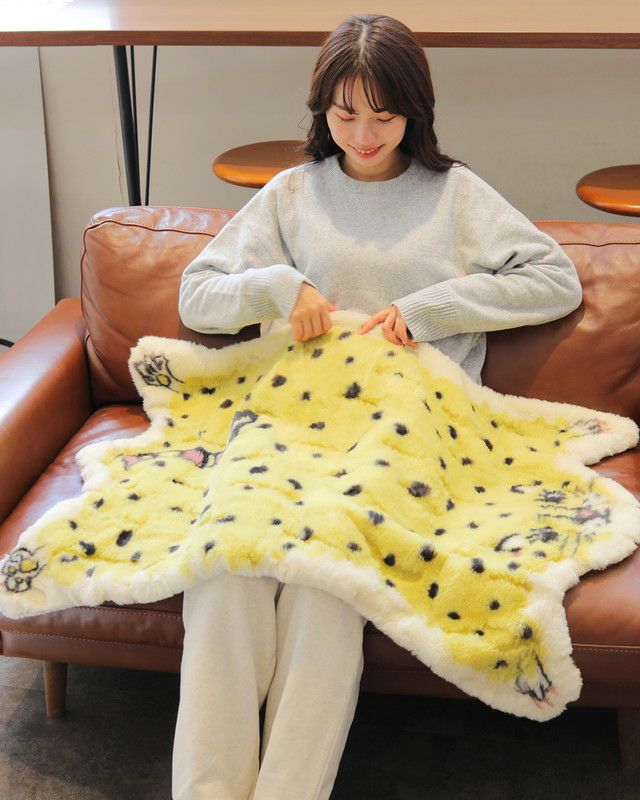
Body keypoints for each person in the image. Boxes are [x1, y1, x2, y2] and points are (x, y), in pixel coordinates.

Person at [173, 13, 583, 800]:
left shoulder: (456, 196)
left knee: (327, 581)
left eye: (384, 116)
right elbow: (198, 293)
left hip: (406, 429)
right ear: (321, 110)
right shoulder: (293, 194)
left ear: (415, 112)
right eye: (345, 114)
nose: (363, 135)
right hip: (288, 426)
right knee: (225, 570)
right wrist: (278, 286)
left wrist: (432, 309)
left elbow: (554, 278)